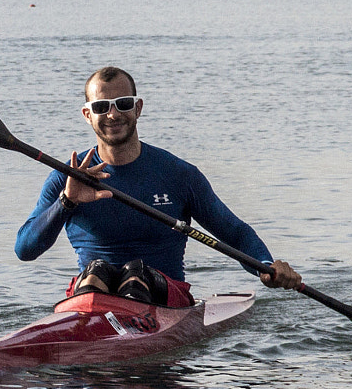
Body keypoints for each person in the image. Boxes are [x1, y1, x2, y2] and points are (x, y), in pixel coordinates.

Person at [15, 66, 302, 307]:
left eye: (123, 104)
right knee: (96, 271)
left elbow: (234, 233)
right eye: (102, 107)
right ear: (88, 114)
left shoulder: (178, 175)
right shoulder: (66, 180)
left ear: (138, 108)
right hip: (92, 298)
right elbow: (25, 249)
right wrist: (68, 201)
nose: (113, 115)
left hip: (165, 297)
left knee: (136, 274)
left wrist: (265, 267)